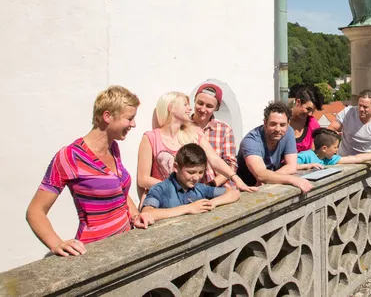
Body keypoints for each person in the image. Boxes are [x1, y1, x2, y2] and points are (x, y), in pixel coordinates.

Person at [26, 86, 153, 257]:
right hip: (95, 254)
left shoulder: (113, 148)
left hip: (124, 247)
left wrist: (135, 216)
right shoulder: (70, 156)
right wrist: (56, 244)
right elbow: (35, 211)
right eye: (129, 118)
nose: (134, 124)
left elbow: (120, 191)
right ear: (107, 116)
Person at [137, 92, 255, 197]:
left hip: (190, 197)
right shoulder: (150, 138)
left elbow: (214, 159)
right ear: (171, 107)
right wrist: (174, 188)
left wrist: (236, 179)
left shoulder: (194, 133)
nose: (189, 109)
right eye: (185, 105)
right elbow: (143, 179)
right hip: (164, 197)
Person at [140, 143, 240, 222]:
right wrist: (188, 208)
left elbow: (234, 193)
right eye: (191, 172)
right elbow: (147, 213)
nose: (196, 177)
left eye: (201, 172)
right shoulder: (161, 189)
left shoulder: (200, 188)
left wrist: (212, 203)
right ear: (176, 167)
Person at [237, 101, 313, 193]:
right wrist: (292, 179)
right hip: (247, 190)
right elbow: (260, 174)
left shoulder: (288, 132)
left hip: (267, 187)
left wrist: (269, 178)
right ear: (265, 122)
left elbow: (291, 166)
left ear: (288, 124)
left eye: (282, 125)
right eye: (273, 124)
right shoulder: (251, 141)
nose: (278, 129)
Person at [190, 83, 237, 186]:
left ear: (216, 108)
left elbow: (231, 165)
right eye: (200, 103)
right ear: (194, 101)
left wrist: (211, 185)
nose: (203, 109)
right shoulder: (184, 126)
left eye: (209, 106)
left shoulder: (224, 129)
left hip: (219, 186)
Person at [327, 89, 371, 157]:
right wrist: (333, 135)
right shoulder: (347, 112)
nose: (361, 109)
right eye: (360, 105)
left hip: (366, 160)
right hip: (344, 159)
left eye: (365, 107)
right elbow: (331, 128)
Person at [297, 128, 371, 170]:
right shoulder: (305, 156)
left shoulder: (329, 159)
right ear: (324, 148)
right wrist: (308, 165)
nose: (336, 150)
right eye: (335, 147)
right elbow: (289, 167)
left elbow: (355, 158)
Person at [288, 84, 323, 153]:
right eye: (308, 109)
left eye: (312, 111)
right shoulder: (281, 121)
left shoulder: (312, 123)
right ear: (298, 102)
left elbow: (316, 152)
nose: (310, 114)